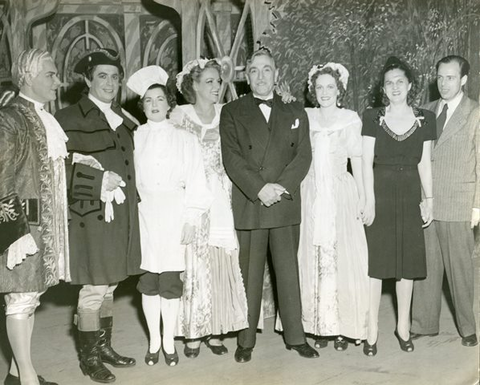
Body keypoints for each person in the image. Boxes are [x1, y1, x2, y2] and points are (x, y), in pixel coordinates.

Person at [220, 47, 318, 363]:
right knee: (248, 275)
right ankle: (245, 340)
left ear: (276, 74)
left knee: (288, 274)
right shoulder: (232, 111)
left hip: (285, 201)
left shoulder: (295, 111)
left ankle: (296, 337)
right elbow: (231, 158)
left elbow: (303, 155)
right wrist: (259, 188)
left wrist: (282, 187)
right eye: (255, 71)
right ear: (247, 77)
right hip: (251, 202)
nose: (261, 76)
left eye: (267, 70)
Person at [55, 49, 141, 383]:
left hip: (121, 216)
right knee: (94, 287)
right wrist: (97, 181)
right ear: (88, 80)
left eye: (114, 77)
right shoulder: (68, 119)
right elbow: (57, 168)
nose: (109, 82)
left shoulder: (125, 119)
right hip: (90, 216)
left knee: (109, 285)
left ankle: (104, 347)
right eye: (102, 76)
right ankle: (89, 358)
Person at [126, 65, 212, 367]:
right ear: (142, 105)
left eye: (159, 99)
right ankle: (153, 341)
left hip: (175, 214)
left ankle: (169, 341)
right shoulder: (134, 138)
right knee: (149, 281)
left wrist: (190, 218)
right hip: (145, 215)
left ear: (168, 103)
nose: (154, 105)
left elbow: (197, 180)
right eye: (148, 101)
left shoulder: (185, 139)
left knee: (171, 282)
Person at [0, 49, 69, 385]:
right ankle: (27, 379)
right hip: (21, 224)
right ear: (27, 76)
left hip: (43, 225)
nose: (58, 81)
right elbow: (1, 176)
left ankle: (16, 374)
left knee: (30, 297)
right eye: (51, 75)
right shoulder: (10, 117)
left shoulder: (41, 115)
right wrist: (14, 230)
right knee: (19, 300)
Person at [171, 58, 248, 358]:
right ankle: (194, 331)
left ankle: (216, 330)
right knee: (193, 265)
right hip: (190, 198)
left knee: (218, 262)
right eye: (210, 82)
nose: (216, 87)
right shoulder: (179, 115)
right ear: (194, 86)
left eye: (218, 81)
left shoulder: (226, 115)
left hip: (221, 196)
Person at [362, 56, 435, 356]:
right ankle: (371, 330)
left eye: (400, 82)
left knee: (406, 265)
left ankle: (403, 326)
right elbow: (365, 162)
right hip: (380, 193)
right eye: (389, 82)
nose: (395, 87)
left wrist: (429, 199)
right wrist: (369, 200)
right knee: (376, 266)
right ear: (383, 87)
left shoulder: (424, 119)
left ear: (409, 86)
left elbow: (425, 164)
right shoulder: (372, 117)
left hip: (408, 195)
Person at [299, 63, 369, 351]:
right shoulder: (305, 117)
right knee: (313, 257)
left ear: (339, 90)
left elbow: (359, 161)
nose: (325, 92)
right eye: (320, 87)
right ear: (313, 91)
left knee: (343, 258)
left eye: (330, 87)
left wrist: (364, 197)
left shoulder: (350, 119)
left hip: (341, 193)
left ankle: (342, 327)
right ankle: (317, 325)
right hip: (312, 193)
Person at [411, 55, 479, 347]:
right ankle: (424, 324)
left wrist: (477, 206)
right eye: (440, 77)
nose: (443, 83)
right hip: (427, 201)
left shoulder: (475, 113)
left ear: (463, 80)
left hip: (459, 201)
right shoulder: (425, 111)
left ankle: (468, 327)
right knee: (426, 266)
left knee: (460, 268)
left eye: (450, 77)